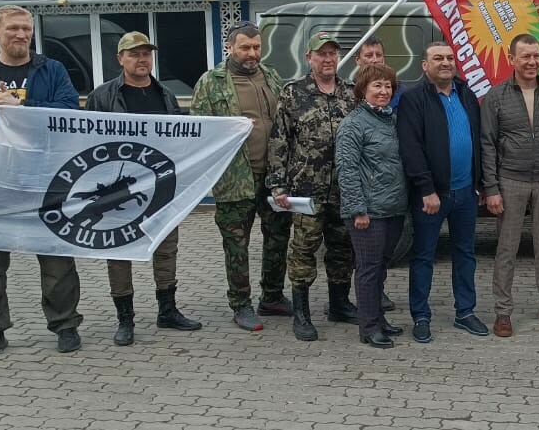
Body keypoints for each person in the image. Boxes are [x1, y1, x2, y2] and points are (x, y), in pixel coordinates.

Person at [0, 5, 84, 361]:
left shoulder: (50, 70)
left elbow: (70, 111)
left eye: (26, 29)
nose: (21, 35)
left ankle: (65, 324)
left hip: (43, 178)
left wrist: (25, 106)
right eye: (13, 29)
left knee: (56, 258)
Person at [85, 31, 204, 346]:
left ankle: (167, 310)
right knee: (120, 251)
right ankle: (125, 320)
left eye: (146, 54)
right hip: (116, 188)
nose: (142, 60)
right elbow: (89, 142)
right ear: (120, 58)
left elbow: (179, 140)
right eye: (135, 54)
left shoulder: (165, 94)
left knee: (166, 249)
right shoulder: (102, 96)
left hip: (160, 186)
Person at [191, 20, 291, 333]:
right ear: (230, 48)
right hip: (236, 179)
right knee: (237, 245)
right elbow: (200, 131)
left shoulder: (272, 76)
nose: (252, 53)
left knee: (277, 239)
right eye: (245, 47)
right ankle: (241, 304)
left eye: (256, 47)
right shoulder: (211, 82)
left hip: (273, 177)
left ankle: (272, 296)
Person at [481, 33, 539, 337]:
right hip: (510, 180)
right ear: (512, 60)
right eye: (525, 56)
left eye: (536, 56)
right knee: (506, 250)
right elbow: (487, 145)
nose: (532, 61)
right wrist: (492, 189)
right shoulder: (496, 97)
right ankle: (503, 313)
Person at [267, 31, 359, 342]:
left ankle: (339, 304)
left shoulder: (350, 93)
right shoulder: (294, 93)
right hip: (306, 190)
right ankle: (303, 314)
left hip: (343, 189)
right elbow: (279, 140)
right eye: (321, 54)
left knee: (342, 248)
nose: (328, 58)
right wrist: (277, 186)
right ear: (310, 58)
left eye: (332, 53)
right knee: (303, 250)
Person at [396, 42, 490, 343]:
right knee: (423, 256)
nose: (445, 63)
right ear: (425, 65)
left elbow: (478, 140)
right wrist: (426, 189)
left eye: (450, 58)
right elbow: (411, 148)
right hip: (432, 196)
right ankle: (421, 316)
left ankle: (465, 312)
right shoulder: (413, 99)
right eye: (438, 58)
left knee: (466, 254)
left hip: (465, 194)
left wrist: (482, 184)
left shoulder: (467, 94)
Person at [335, 63, 407, 348]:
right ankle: (369, 327)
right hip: (368, 213)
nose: (384, 91)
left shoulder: (392, 119)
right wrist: (357, 210)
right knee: (367, 268)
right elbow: (347, 169)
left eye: (388, 85)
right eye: (377, 85)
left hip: (393, 208)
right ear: (363, 90)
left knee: (381, 268)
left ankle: (378, 317)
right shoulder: (353, 124)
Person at [355, 36, 404, 109]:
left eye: (378, 55)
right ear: (358, 60)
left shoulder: (400, 91)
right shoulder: (348, 90)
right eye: (369, 56)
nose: (375, 60)